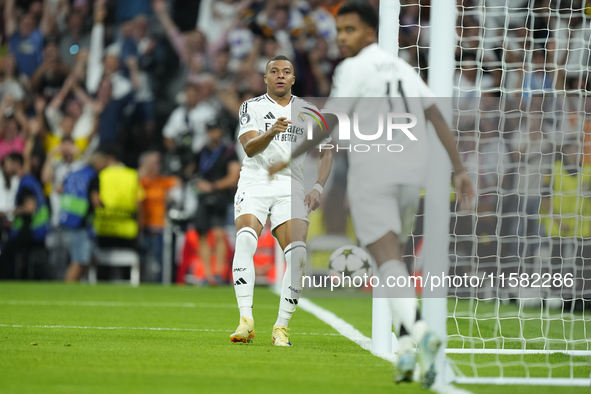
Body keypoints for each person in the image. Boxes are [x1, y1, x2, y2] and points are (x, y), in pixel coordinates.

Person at [268, 2, 474, 387]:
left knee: (386, 259)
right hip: (413, 172)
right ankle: (411, 354)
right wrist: (459, 169)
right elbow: (435, 116)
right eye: (338, 30)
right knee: (392, 258)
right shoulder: (402, 68)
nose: (341, 38)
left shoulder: (351, 69)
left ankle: (418, 331)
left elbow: (330, 119)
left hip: (375, 170)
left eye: (349, 30)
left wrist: (289, 156)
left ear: (369, 33)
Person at [230, 55, 333, 347]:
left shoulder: (309, 111)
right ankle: (245, 320)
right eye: (273, 71)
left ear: (293, 79)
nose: (280, 76)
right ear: (265, 78)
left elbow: (328, 151)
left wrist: (318, 186)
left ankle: (281, 327)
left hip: (292, 185)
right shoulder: (251, 107)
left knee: (297, 254)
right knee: (246, 240)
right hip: (255, 180)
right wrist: (270, 132)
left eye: (286, 72)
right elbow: (249, 148)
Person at [192, 119, 240, 285]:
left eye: (216, 130)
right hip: (203, 196)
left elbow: (234, 175)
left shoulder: (228, 151)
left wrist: (212, 186)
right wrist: (197, 182)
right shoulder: (202, 151)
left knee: (219, 233)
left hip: (220, 196)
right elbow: (193, 171)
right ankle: (207, 274)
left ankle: (219, 273)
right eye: (211, 130)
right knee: (202, 234)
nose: (213, 133)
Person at [61, 150, 109, 282]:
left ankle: (79, 285)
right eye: (104, 162)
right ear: (97, 162)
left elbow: (59, 189)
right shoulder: (93, 176)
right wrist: (105, 206)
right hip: (80, 223)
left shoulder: (75, 173)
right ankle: (67, 291)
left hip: (68, 218)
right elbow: (95, 200)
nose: (106, 166)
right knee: (80, 260)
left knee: (91, 258)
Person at [0, 152, 50, 279]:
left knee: (7, 254)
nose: (4, 168)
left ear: (16, 164)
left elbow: (30, 208)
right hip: (37, 226)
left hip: (31, 228)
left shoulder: (26, 182)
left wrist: (6, 212)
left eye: (7, 164)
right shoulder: (29, 180)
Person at [138, 151, 179, 282]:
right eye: (152, 164)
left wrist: (171, 197)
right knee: (143, 260)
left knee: (160, 262)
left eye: (157, 164)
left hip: (159, 228)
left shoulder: (162, 182)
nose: (156, 167)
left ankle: (160, 283)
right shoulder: (141, 182)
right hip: (144, 227)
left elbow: (178, 183)